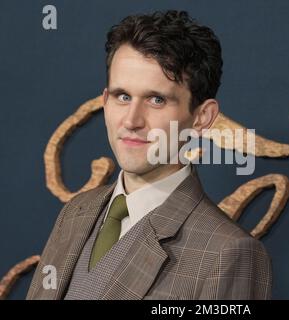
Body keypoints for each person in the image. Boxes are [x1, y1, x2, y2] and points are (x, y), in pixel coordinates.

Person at [27, 10, 272, 300]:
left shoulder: (228, 253)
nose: (131, 120)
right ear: (105, 102)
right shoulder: (75, 212)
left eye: (156, 100)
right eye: (122, 96)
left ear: (202, 117)